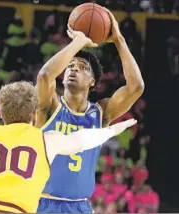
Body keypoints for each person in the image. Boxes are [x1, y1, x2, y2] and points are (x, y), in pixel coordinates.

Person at [0, 81, 136, 213]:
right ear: (33, 114)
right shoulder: (47, 140)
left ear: (1, 112)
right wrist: (112, 131)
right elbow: (84, 139)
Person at [36, 9, 144, 213]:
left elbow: (136, 87)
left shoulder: (100, 113)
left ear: (92, 81)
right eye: (70, 66)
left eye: (82, 67)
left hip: (81, 206)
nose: (74, 69)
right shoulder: (49, 106)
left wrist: (119, 40)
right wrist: (78, 42)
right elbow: (44, 76)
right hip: (42, 202)